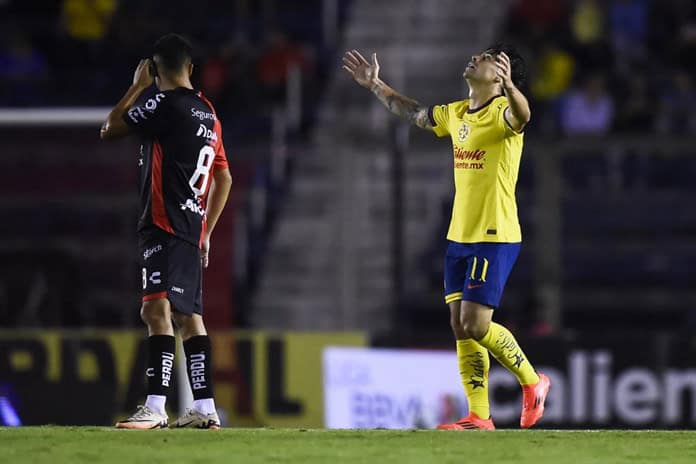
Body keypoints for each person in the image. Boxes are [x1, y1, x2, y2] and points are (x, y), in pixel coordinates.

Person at [343, 45, 550, 430]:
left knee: (475, 324)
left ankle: (533, 381)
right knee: (459, 325)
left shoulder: (503, 112)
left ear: (500, 75)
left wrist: (510, 89)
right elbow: (416, 113)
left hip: (495, 234)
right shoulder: (456, 114)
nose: (475, 57)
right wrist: (375, 85)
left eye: (488, 57)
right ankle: (479, 415)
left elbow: (524, 115)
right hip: (460, 235)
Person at [101, 33, 232, 429]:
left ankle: (155, 407)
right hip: (192, 226)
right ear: (191, 69)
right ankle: (205, 409)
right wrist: (206, 228)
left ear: (157, 69)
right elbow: (224, 176)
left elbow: (109, 128)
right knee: (189, 317)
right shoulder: (208, 112)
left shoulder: (163, 101)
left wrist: (138, 86)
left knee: (154, 309)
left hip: (162, 221)